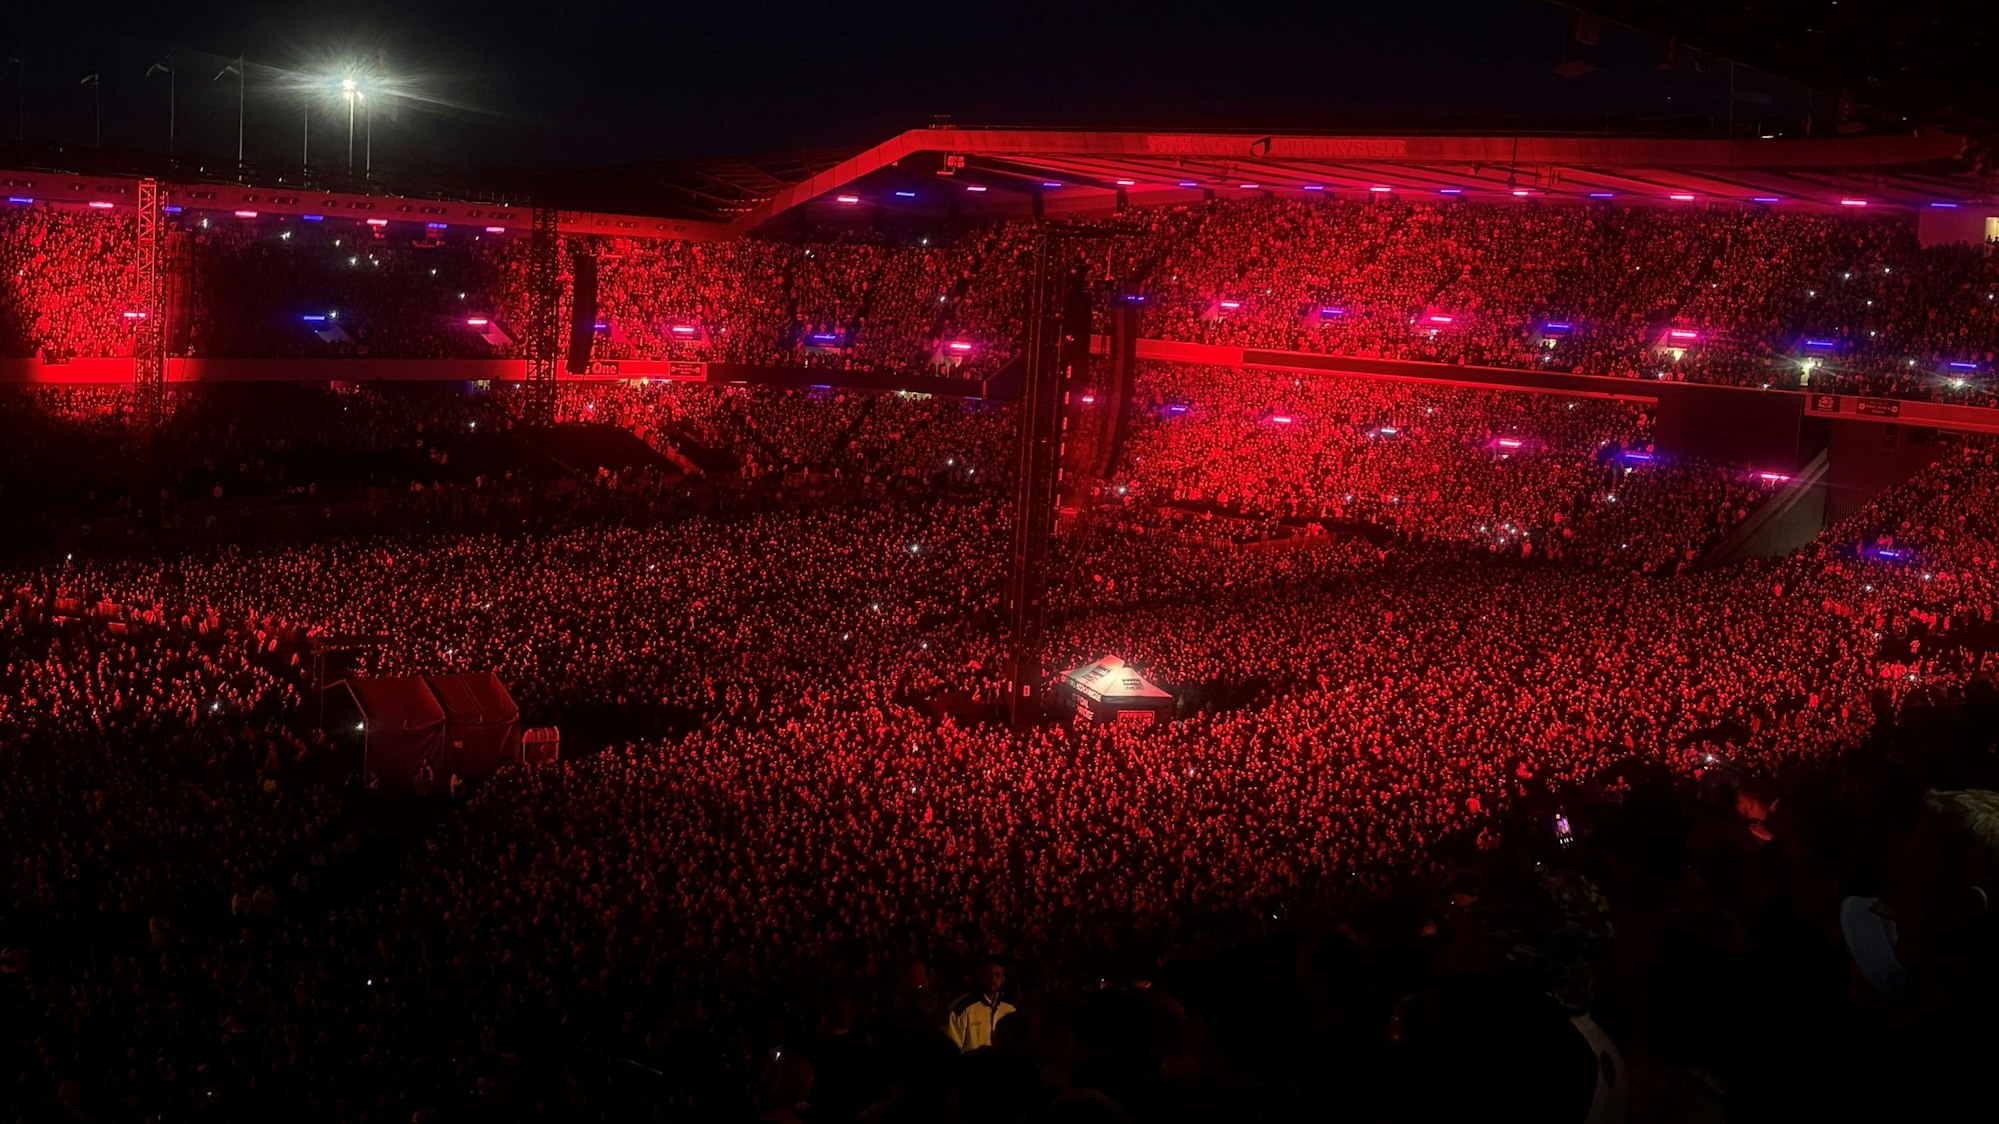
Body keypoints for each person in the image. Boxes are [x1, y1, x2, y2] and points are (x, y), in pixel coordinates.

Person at [947, 958, 1016, 1052]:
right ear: (980, 975)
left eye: (998, 975)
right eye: (989, 974)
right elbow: (952, 1049)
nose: (993, 979)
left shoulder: (1010, 1009)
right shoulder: (961, 1008)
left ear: (1003, 980)